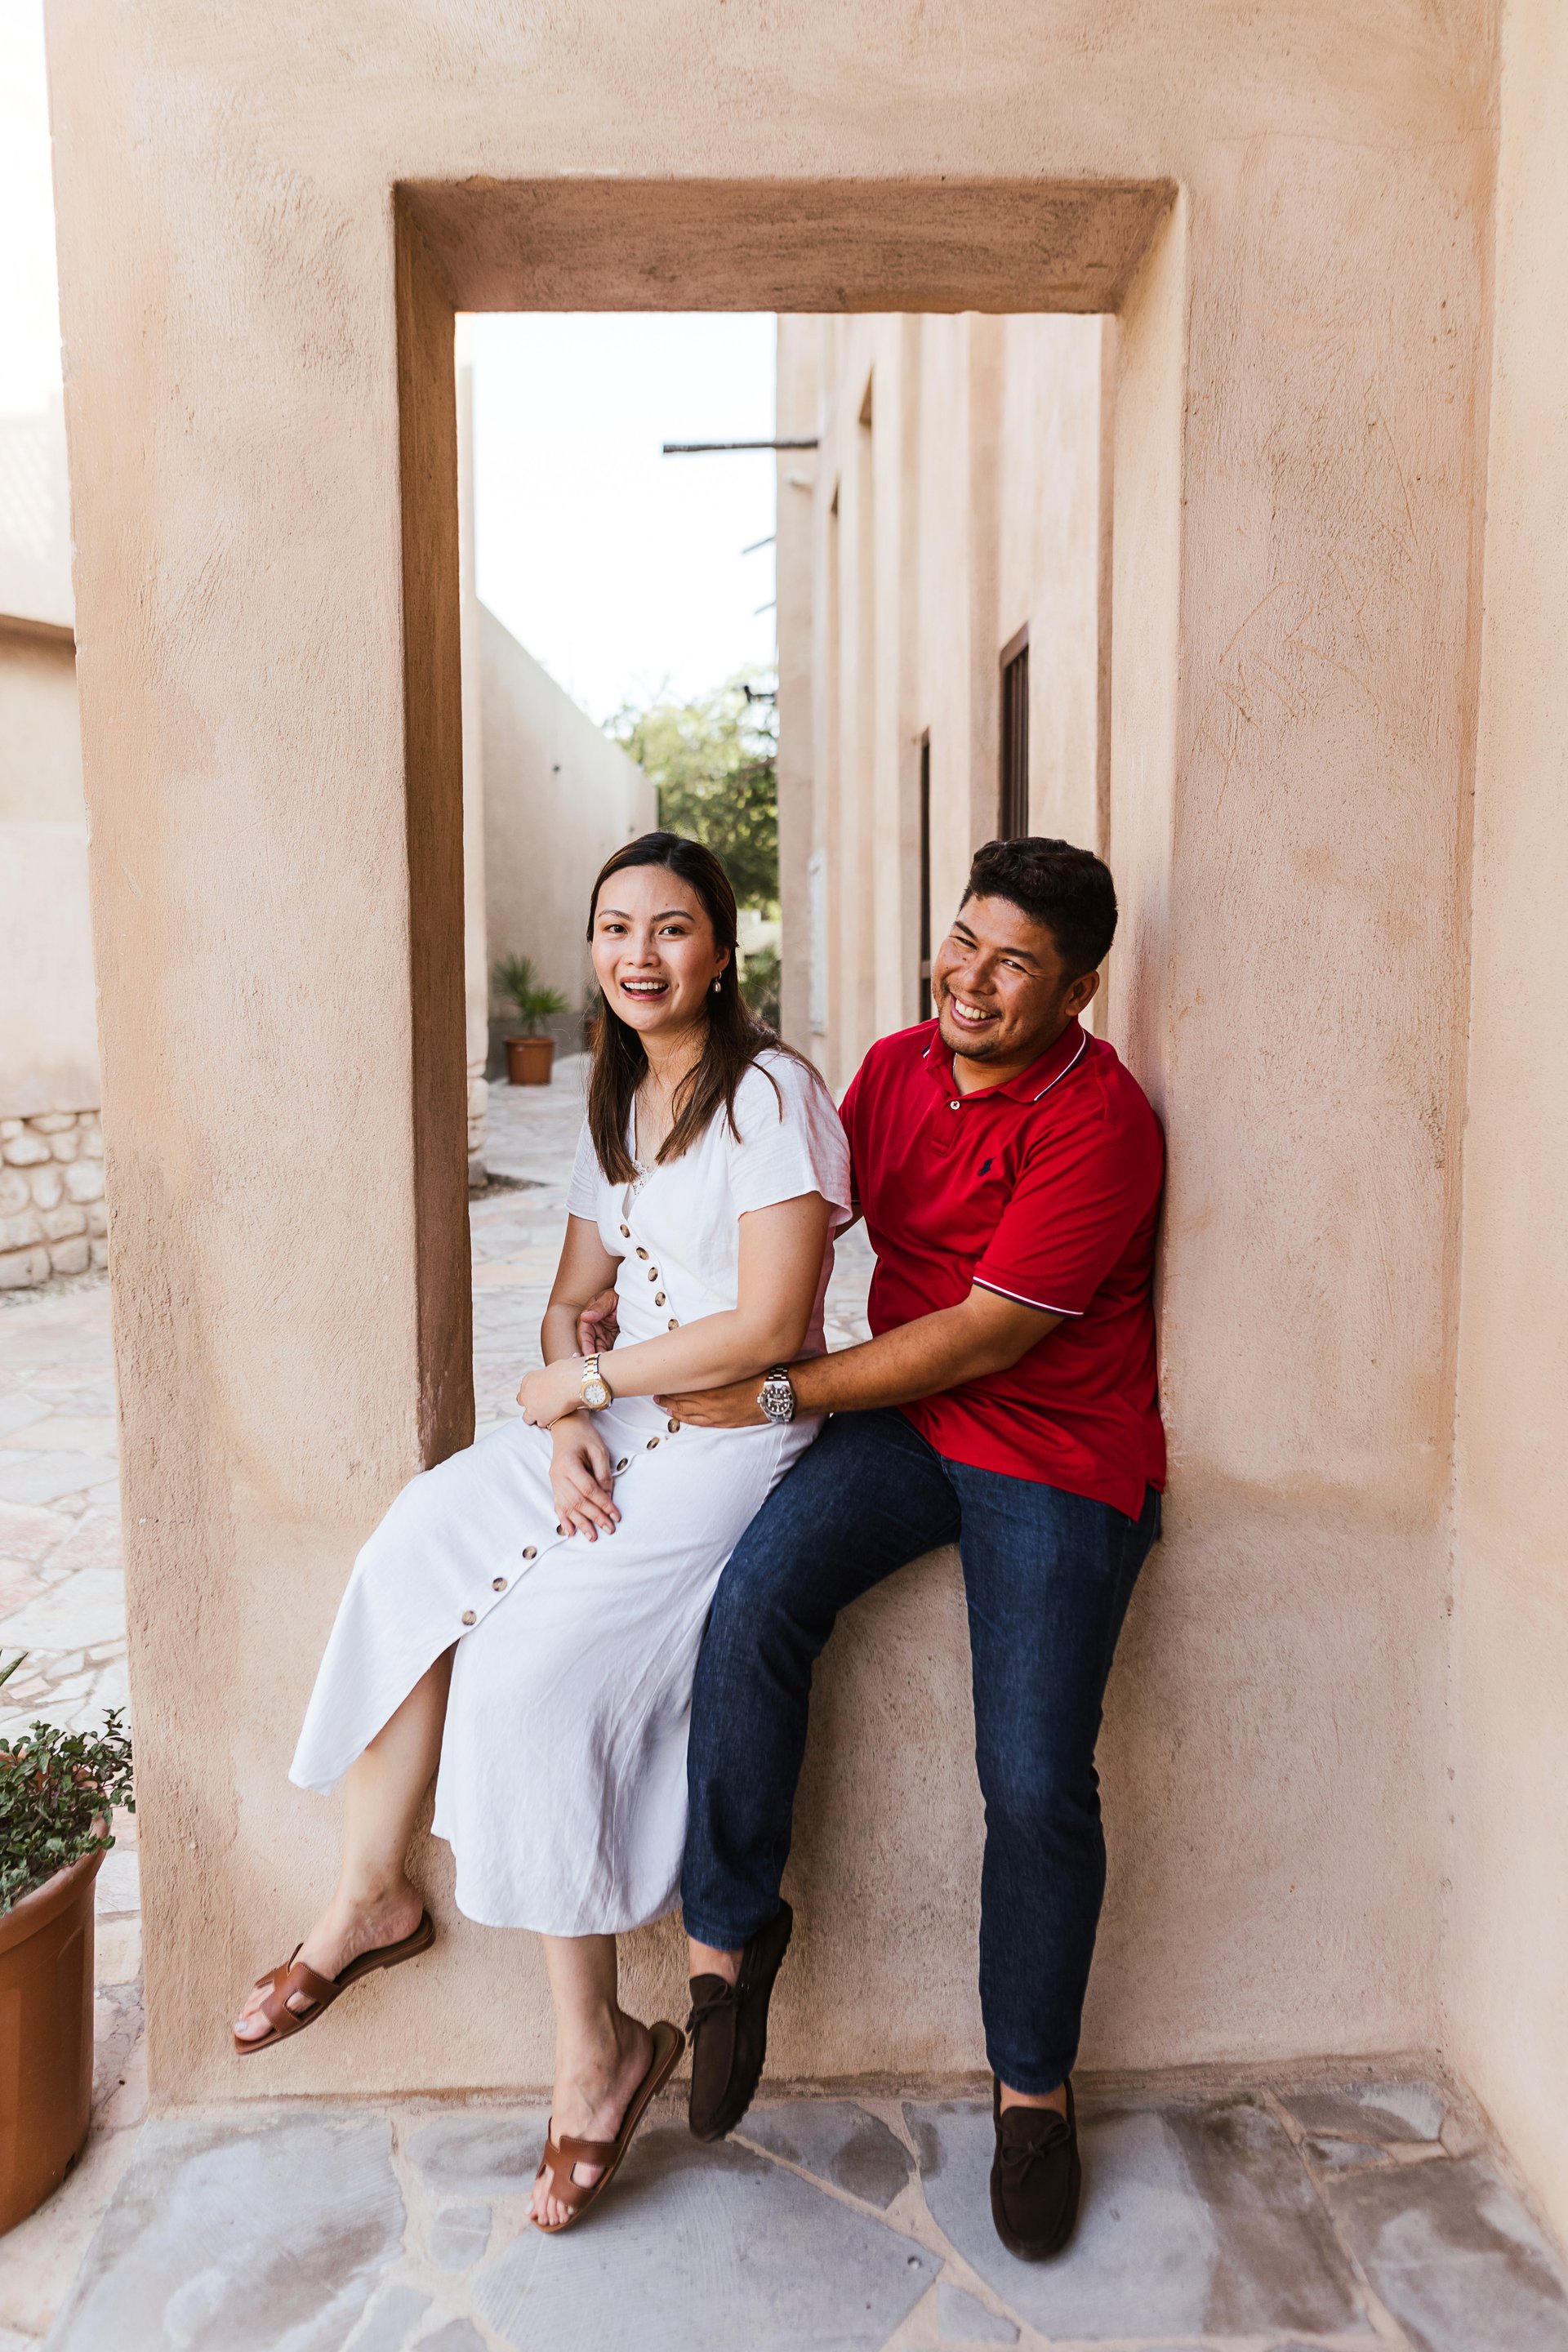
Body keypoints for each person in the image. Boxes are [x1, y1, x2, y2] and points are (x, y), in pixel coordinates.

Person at [232, 831, 851, 2236]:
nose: (640, 954)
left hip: (726, 1440)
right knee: (414, 1542)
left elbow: (768, 1324)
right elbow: (571, 1299)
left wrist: (581, 1383)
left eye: (672, 928)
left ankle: (601, 2053)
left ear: (722, 951)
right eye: (615, 927)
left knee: (527, 1675)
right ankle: (369, 1898)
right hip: (608, 1415)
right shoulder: (615, 1092)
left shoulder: (772, 1095)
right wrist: (569, 1403)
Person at [662, 835, 1165, 2263]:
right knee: (753, 1603)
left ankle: (1032, 2092)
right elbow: (784, 1222)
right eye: (964, 940)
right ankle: (727, 1948)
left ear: (1078, 990)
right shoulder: (890, 1071)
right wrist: (635, 1321)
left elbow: (984, 1337)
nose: (972, 979)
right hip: (909, 1429)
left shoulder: (1103, 1122)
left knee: (1034, 1777)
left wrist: (782, 1393)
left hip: (1055, 1451)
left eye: (1015, 964)